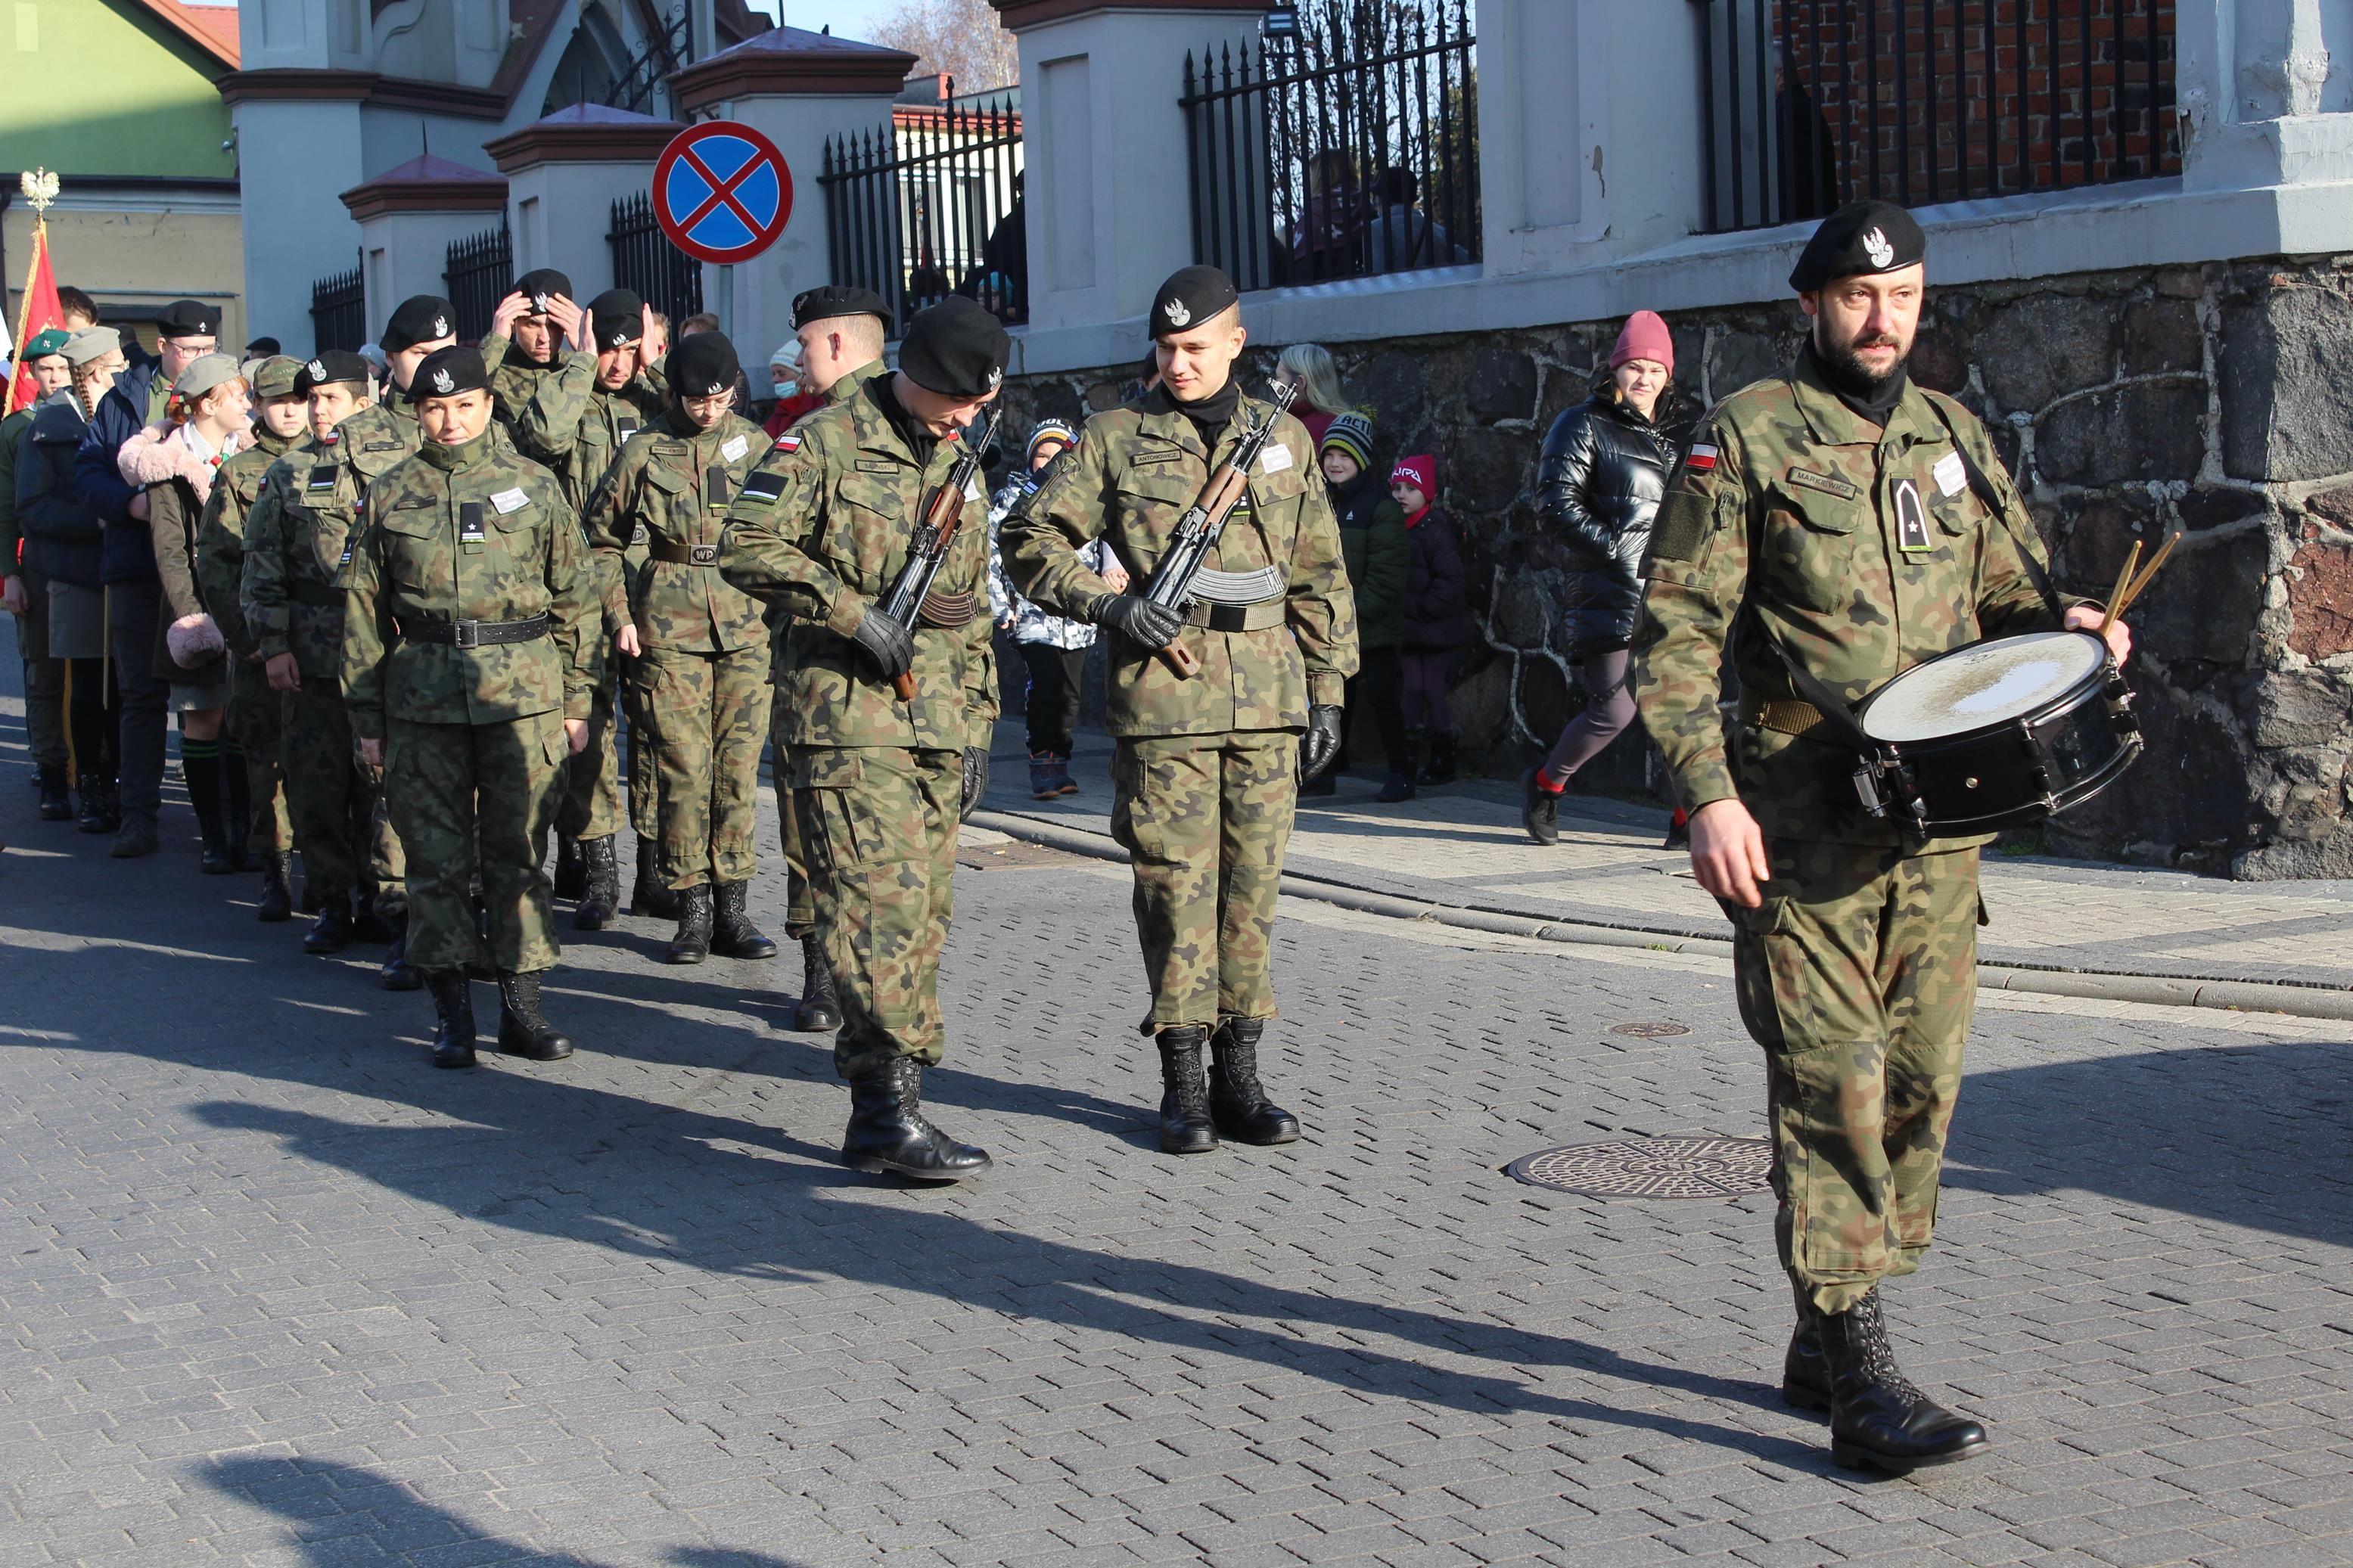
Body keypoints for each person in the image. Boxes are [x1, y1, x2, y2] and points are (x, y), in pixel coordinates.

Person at [1634, 200, 2135, 1475]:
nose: (1882, 317)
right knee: (1835, 1080)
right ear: (1812, 305)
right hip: (1797, 822)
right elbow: (1679, 635)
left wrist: (2077, 623)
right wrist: (1708, 796)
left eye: (1903, 294)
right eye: (1859, 298)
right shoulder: (1746, 436)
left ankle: (1820, 1326)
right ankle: (1861, 1372)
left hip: (1937, 821)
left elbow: (2015, 595)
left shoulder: (1951, 435)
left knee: (1919, 1081)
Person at [1004, 264, 1357, 1157]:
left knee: (1252, 893)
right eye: (1165, 349)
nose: (1179, 363)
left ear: (1235, 343)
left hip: (1268, 693)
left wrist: (1328, 687)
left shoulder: (1283, 443)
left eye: (1195, 347)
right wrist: (1109, 605)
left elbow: (1320, 572)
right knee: (1173, 889)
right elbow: (1027, 538)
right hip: (1167, 695)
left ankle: (1242, 1075)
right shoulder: (1118, 437)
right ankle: (1183, 1081)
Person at [716, 297, 1006, 1181]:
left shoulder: (963, 458)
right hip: (843, 723)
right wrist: (851, 615)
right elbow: (743, 542)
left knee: (921, 919)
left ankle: (892, 1109)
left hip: (934, 722)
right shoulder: (824, 440)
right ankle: (885, 1109)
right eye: (958, 398)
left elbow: (971, 609)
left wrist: (979, 722)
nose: (969, 416)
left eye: (980, 403)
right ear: (912, 376)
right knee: (873, 917)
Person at [342, 345, 601, 1070]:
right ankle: (451, 1016)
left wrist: (578, 699)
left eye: (462, 406)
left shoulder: (534, 485)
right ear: (417, 413)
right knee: (435, 861)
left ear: (488, 404)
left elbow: (579, 597)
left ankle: (522, 1011)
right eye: (434, 408)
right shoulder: (391, 492)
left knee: (517, 853)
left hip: (523, 699)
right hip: (422, 700)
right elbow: (363, 616)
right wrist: (367, 720)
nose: (449, 421)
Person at [583, 331, 777, 966]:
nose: (710, 409)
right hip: (668, 620)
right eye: (698, 399)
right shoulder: (643, 449)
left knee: (738, 768)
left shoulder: (756, 444)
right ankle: (690, 909)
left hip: (744, 620)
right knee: (684, 770)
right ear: (676, 392)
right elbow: (601, 540)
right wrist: (620, 614)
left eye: (721, 398)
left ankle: (735, 910)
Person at [241, 349, 415, 985]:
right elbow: (261, 565)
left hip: (382, 654)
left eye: (331, 399)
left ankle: (394, 908)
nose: (317, 411)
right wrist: (275, 642)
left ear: (363, 401)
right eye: (312, 400)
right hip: (312, 655)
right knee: (317, 786)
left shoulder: (402, 464)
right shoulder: (288, 474)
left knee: (387, 788)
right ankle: (333, 901)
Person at [514, 287, 669, 930]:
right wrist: (579, 365)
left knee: (658, 726)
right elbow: (541, 436)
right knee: (592, 727)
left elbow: (701, 401)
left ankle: (657, 869)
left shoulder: (653, 398)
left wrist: (655, 358)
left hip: (650, 578)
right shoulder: (569, 390)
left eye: (627, 350)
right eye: (607, 350)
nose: (616, 363)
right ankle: (600, 870)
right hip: (580, 577)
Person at [764, 285, 895, 1035]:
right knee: (817, 827)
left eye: (806, 344)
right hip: (827, 667)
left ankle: (851, 993)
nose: (798, 360)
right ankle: (829, 975)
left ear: (838, 344)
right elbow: (751, 542)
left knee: (824, 830)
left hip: (855, 680)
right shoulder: (802, 437)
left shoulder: (831, 435)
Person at [1524, 310, 1684, 847]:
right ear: (1615, 369)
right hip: (1611, 591)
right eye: (1634, 367)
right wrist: (1617, 547)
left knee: (1680, 707)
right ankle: (1547, 785)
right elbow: (1553, 502)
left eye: (1655, 369)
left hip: (1671, 593)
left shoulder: (1676, 435)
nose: (1643, 379)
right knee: (1615, 707)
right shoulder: (1581, 423)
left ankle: (1688, 819)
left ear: (1668, 376)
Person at [73, 299, 220, 859]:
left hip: (207, 568)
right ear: (164, 348)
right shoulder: (125, 400)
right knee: (139, 695)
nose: (199, 359)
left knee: (211, 694)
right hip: (138, 565)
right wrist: (128, 506)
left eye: (208, 350)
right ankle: (138, 815)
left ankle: (221, 822)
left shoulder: (226, 394)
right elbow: (87, 472)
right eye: (189, 350)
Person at [117, 354, 250, 872]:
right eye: (238, 396)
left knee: (240, 722)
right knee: (204, 719)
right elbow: (170, 553)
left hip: (245, 608)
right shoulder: (169, 466)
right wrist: (192, 619)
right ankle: (212, 835)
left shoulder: (251, 455)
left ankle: (244, 831)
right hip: (196, 610)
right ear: (209, 403)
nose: (248, 405)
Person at [198, 354, 306, 918]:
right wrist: (248, 638)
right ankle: (276, 868)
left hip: (317, 641)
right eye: (277, 400)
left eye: (299, 398)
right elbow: (216, 563)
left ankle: (331, 873)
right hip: (261, 644)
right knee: (266, 760)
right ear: (258, 407)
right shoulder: (239, 473)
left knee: (320, 760)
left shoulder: (330, 461)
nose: (290, 410)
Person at [984, 418, 1128, 798]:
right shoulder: (1013, 498)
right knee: (1046, 685)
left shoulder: (1086, 499)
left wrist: (1111, 569)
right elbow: (993, 557)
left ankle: (1060, 762)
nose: (1048, 462)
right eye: (1041, 455)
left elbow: (1109, 533)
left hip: (1079, 618)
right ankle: (1043, 762)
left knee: (1070, 693)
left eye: (1057, 455)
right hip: (1033, 617)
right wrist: (1002, 607)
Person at [17, 327, 124, 832]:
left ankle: (122, 780)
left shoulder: (128, 417)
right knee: (86, 685)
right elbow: (32, 506)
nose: (125, 374)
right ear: (92, 373)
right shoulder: (49, 423)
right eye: (115, 367)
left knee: (126, 688)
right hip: (74, 572)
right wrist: (98, 519)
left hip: (128, 567)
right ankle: (90, 783)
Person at [1313, 410, 1413, 801]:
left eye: (1346, 457)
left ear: (1362, 461)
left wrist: (1347, 617)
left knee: (1385, 703)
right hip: (1330, 626)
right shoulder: (1320, 500)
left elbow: (1387, 577)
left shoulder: (1381, 507)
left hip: (1372, 629)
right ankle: (1324, 773)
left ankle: (1401, 773)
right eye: (1330, 455)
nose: (1335, 463)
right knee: (1335, 701)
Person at [1, 327, 77, 819]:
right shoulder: (14, 429)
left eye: (62, 368)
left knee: (93, 674)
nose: (54, 377)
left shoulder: (90, 419)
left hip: (87, 562)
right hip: (36, 565)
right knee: (44, 672)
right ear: (30, 373)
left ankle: (96, 768)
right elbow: (5, 508)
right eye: (45, 370)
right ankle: (51, 769)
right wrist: (8, 573)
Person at [1390, 455, 1473, 785]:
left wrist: (1420, 607)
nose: (1401, 494)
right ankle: (1408, 756)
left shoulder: (1436, 531)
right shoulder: (1397, 529)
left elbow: (1451, 580)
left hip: (1436, 628)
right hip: (1411, 629)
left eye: (1411, 488)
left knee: (1432, 688)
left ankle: (1443, 759)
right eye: (1396, 487)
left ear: (1428, 494)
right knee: (1411, 688)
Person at [487, 269, 579, 431]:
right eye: (532, 324)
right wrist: (496, 339)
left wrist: (586, 350)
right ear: (514, 325)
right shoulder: (494, 368)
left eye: (554, 326)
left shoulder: (576, 367)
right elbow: (468, 394)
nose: (544, 338)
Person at [1363, 168, 1469, 274]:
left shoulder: (1375, 230)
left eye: (1376, 197)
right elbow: (1468, 261)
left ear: (1383, 199)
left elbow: (1376, 277)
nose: (1374, 203)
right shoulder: (1438, 232)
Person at [1273, 343, 1348, 449]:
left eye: (1278, 377)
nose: (1275, 383)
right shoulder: (1343, 425)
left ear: (1300, 382)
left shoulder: (1295, 429)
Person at [763, 341, 821, 438]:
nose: (775, 379)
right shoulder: (782, 408)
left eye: (781, 374)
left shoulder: (817, 407)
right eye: (773, 374)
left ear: (802, 375)